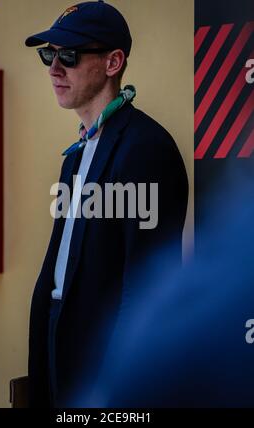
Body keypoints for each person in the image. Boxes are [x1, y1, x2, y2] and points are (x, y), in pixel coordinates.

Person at [25, 0, 188, 408]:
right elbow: (60, 267)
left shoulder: (146, 148)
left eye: (69, 55)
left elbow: (148, 289)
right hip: (59, 340)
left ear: (113, 62)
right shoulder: (76, 154)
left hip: (106, 357)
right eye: (49, 54)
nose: (53, 68)